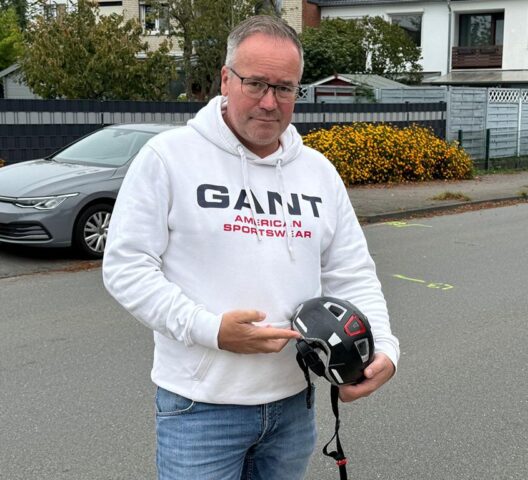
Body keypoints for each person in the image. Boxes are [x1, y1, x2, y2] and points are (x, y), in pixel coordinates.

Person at [102, 14, 399, 480]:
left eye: (285, 88)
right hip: (200, 409)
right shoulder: (168, 157)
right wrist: (210, 330)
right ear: (225, 78)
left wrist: (383, 347)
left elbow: (351, 271)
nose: (269, 101)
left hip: (292, 406)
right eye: (255, 83)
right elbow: (126, 267)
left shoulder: (317, 171)